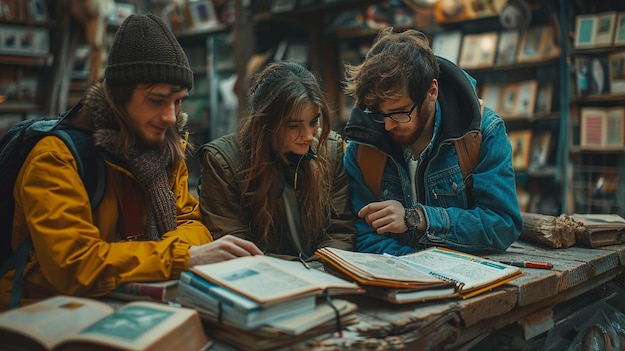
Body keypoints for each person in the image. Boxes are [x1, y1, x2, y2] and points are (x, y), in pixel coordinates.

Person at [0, 14, 262, 310]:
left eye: (178, 101)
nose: (171, 117)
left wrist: (145, 256)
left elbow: (193, 222)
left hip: (127, 301)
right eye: (157, 100)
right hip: (43, 311)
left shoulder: (166, 150)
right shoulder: (56, 159)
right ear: (118, 98)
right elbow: (74, 266)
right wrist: (182, 257)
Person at [342, 27, 523, 255]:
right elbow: (364, 236)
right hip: (397, 279)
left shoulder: (483, 131)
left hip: (470, 281)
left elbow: (502, 225)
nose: (387, 126)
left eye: (399, 112)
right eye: (379, 113)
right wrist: (415, 267)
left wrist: (418, 218)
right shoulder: (363, 144)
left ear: (432, 91)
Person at [197, 61, 355, 261]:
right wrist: (299, 270)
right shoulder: (223, 162)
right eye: (293, 125)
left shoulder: (329, 150)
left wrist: (318, 268)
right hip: (261, 277)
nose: (308, 136)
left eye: (313, 122)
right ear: (265, 122)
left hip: (322, 272)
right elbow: (234, 246)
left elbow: (340, 229)